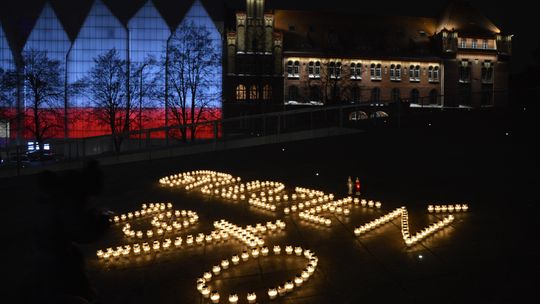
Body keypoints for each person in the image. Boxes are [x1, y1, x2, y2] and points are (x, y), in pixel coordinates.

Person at [23, 160, 110, 303]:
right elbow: (82, 232)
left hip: (45, 254)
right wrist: (102, 220)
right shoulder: (69, 197)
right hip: (56, 261)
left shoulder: (59, 191)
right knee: (69, 292)